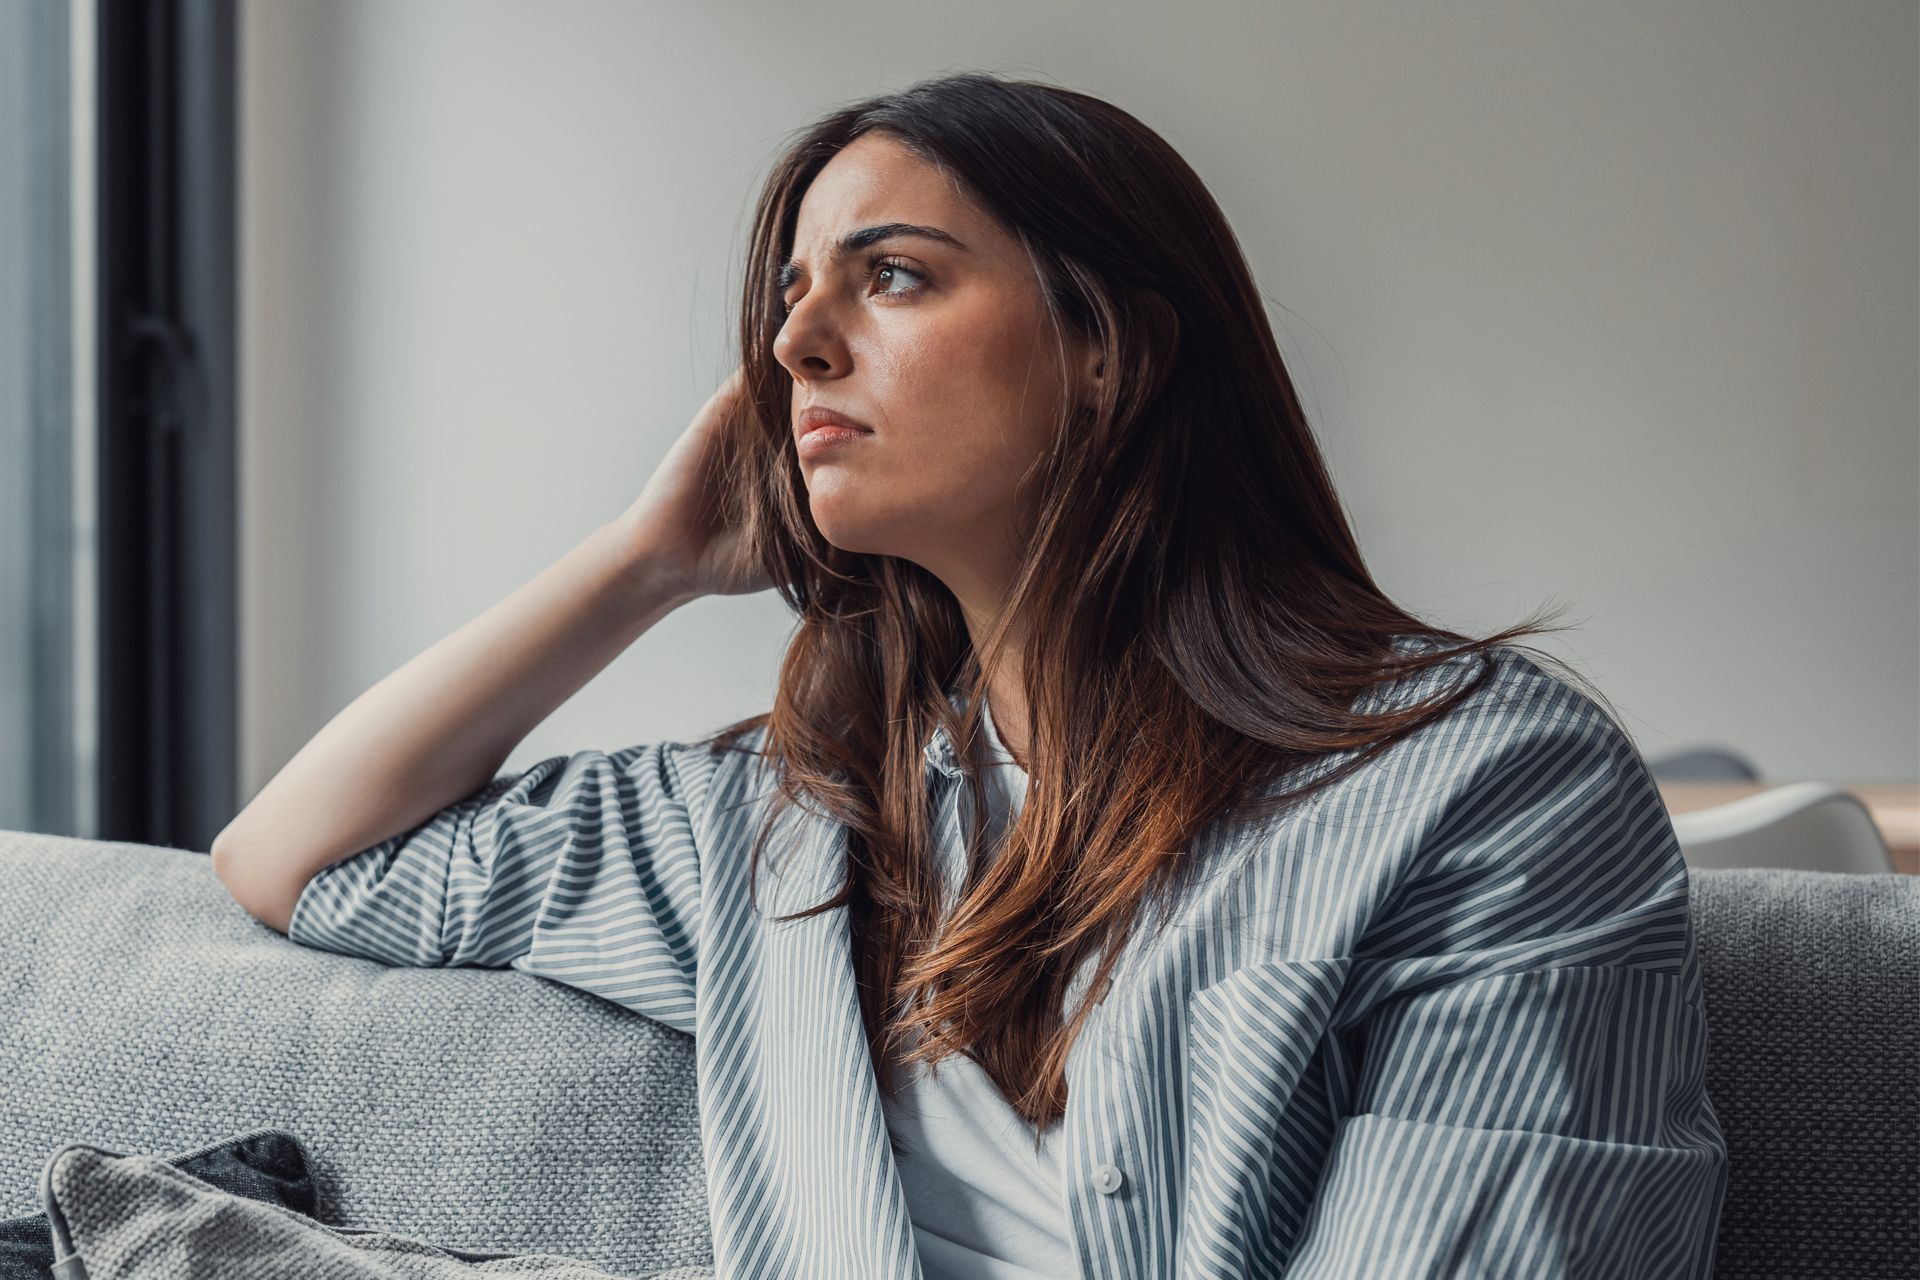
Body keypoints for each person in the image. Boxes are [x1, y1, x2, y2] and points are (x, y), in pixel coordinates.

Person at [212, 72, 1730, 1279]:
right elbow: (295, 855)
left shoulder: (1485, 788)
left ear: (1107, 354)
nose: (796, 343)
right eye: (793, 295)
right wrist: (644, 562)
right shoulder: (787, 836)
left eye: (891, 278)